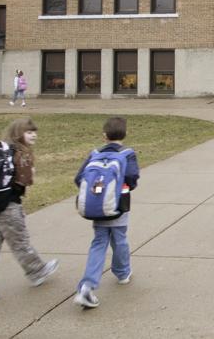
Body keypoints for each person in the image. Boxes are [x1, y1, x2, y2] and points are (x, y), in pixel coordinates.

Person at [0, 117, 59, 310]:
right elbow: (25, 181)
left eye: (34, 131)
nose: (33, 135)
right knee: (20, 242)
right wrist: (30, 171)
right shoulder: (21, 154)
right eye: (29, 132)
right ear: (19, 134)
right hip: (8, 206)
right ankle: (37, 271)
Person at [73, 117, 140, 309]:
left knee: (99, 242)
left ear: (104, 136)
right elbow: (132, 177)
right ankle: (122, 272)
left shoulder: (95, 154)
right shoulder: (127, 154)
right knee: (120, 239)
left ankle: (87, 285)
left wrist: (95, 194)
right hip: (118, 204)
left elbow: (79, 178)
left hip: (97, 206)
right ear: (125, 134)